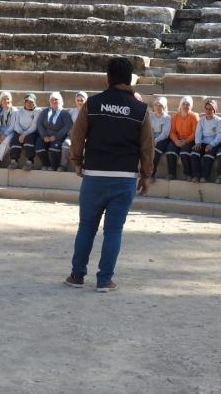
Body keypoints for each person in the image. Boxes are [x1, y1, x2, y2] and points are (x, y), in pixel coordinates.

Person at [65, 57, 153, 293]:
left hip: (94, 174)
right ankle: (104, 280)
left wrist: (77, 162)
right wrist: (146, 175)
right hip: (125, 178)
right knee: (113, 231)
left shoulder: (92, 104)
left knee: (86, 228)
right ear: (130, 79)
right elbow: (147, 147)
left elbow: (77, 136)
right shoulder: (140, 110)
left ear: (108, 77)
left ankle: (77, 275)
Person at [36, 92, 73, 171]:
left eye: (56, 99)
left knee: (54, 148)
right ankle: (46, 164)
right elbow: (39, 123)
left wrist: (56, 137)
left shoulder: (64, 113)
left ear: (60, 101)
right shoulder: (45, 112)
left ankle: (54, 166)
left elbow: (67, 126)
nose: (54, 101)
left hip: (59, 136)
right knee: (39, 147)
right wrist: (44, 136)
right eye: (52, 99)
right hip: (45, 135)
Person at [191, 97, 221, 183]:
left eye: (211, 109)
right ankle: (196, 175)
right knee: (194, 153)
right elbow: (198, 133)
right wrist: (198, 142)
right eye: (207, 109)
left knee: (208, 156)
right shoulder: (201, 120)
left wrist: (211, 145)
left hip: (214, 143)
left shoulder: (219, 121)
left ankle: (204, 177)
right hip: (203, 142)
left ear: (214, 110)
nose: (208, 111)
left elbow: (220, 135)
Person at [166, 96, 199, 181]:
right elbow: (172, 132)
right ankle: (171, 173)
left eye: (188, 104)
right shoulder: (175, 117)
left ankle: (188, 174)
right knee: (170, 149)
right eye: (183, 104)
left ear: (191, 106)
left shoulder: (194, 116)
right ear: (180, 105)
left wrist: (186, 141)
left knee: (185, 152)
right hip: (177, 139)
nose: (185, 106)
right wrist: (176, 140)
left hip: (190, 140)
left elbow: (195, 133)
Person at [8, 93, 40, 170]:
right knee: (15, 139)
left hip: (32, 132)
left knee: (29, 139)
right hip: (20, 131)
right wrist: (21, 133)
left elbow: (34, 126)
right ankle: (14, 161)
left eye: (31, 102)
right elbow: (16, 125)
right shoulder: (19, 112)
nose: (29, 103)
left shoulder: (37, 111)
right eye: (27, 101)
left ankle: (30, 161)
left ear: (34, 102)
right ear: (24, 102)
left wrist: (24, 134)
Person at [59, 91, 87, 172]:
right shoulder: (72, 112)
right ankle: (63, 165)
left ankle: (83, 166)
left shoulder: (89, 112)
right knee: (65, 144)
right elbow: (68, 125)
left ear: (85, 100)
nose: (80, 102)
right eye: (78, 100)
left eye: (82, 100)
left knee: (85, 146)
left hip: (84, 136)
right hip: (72, 135)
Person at [149, 96, 171, 182]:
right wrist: (151, 139)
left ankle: (152, 174)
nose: (158, 107)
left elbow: (165, 134)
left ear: (164, 107)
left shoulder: (167, 118)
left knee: (156, 151)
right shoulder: (151, 116)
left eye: (160, 105)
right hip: (152, 137)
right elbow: (149, 130)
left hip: (162, 139)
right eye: (156, 105)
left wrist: (156, 140)